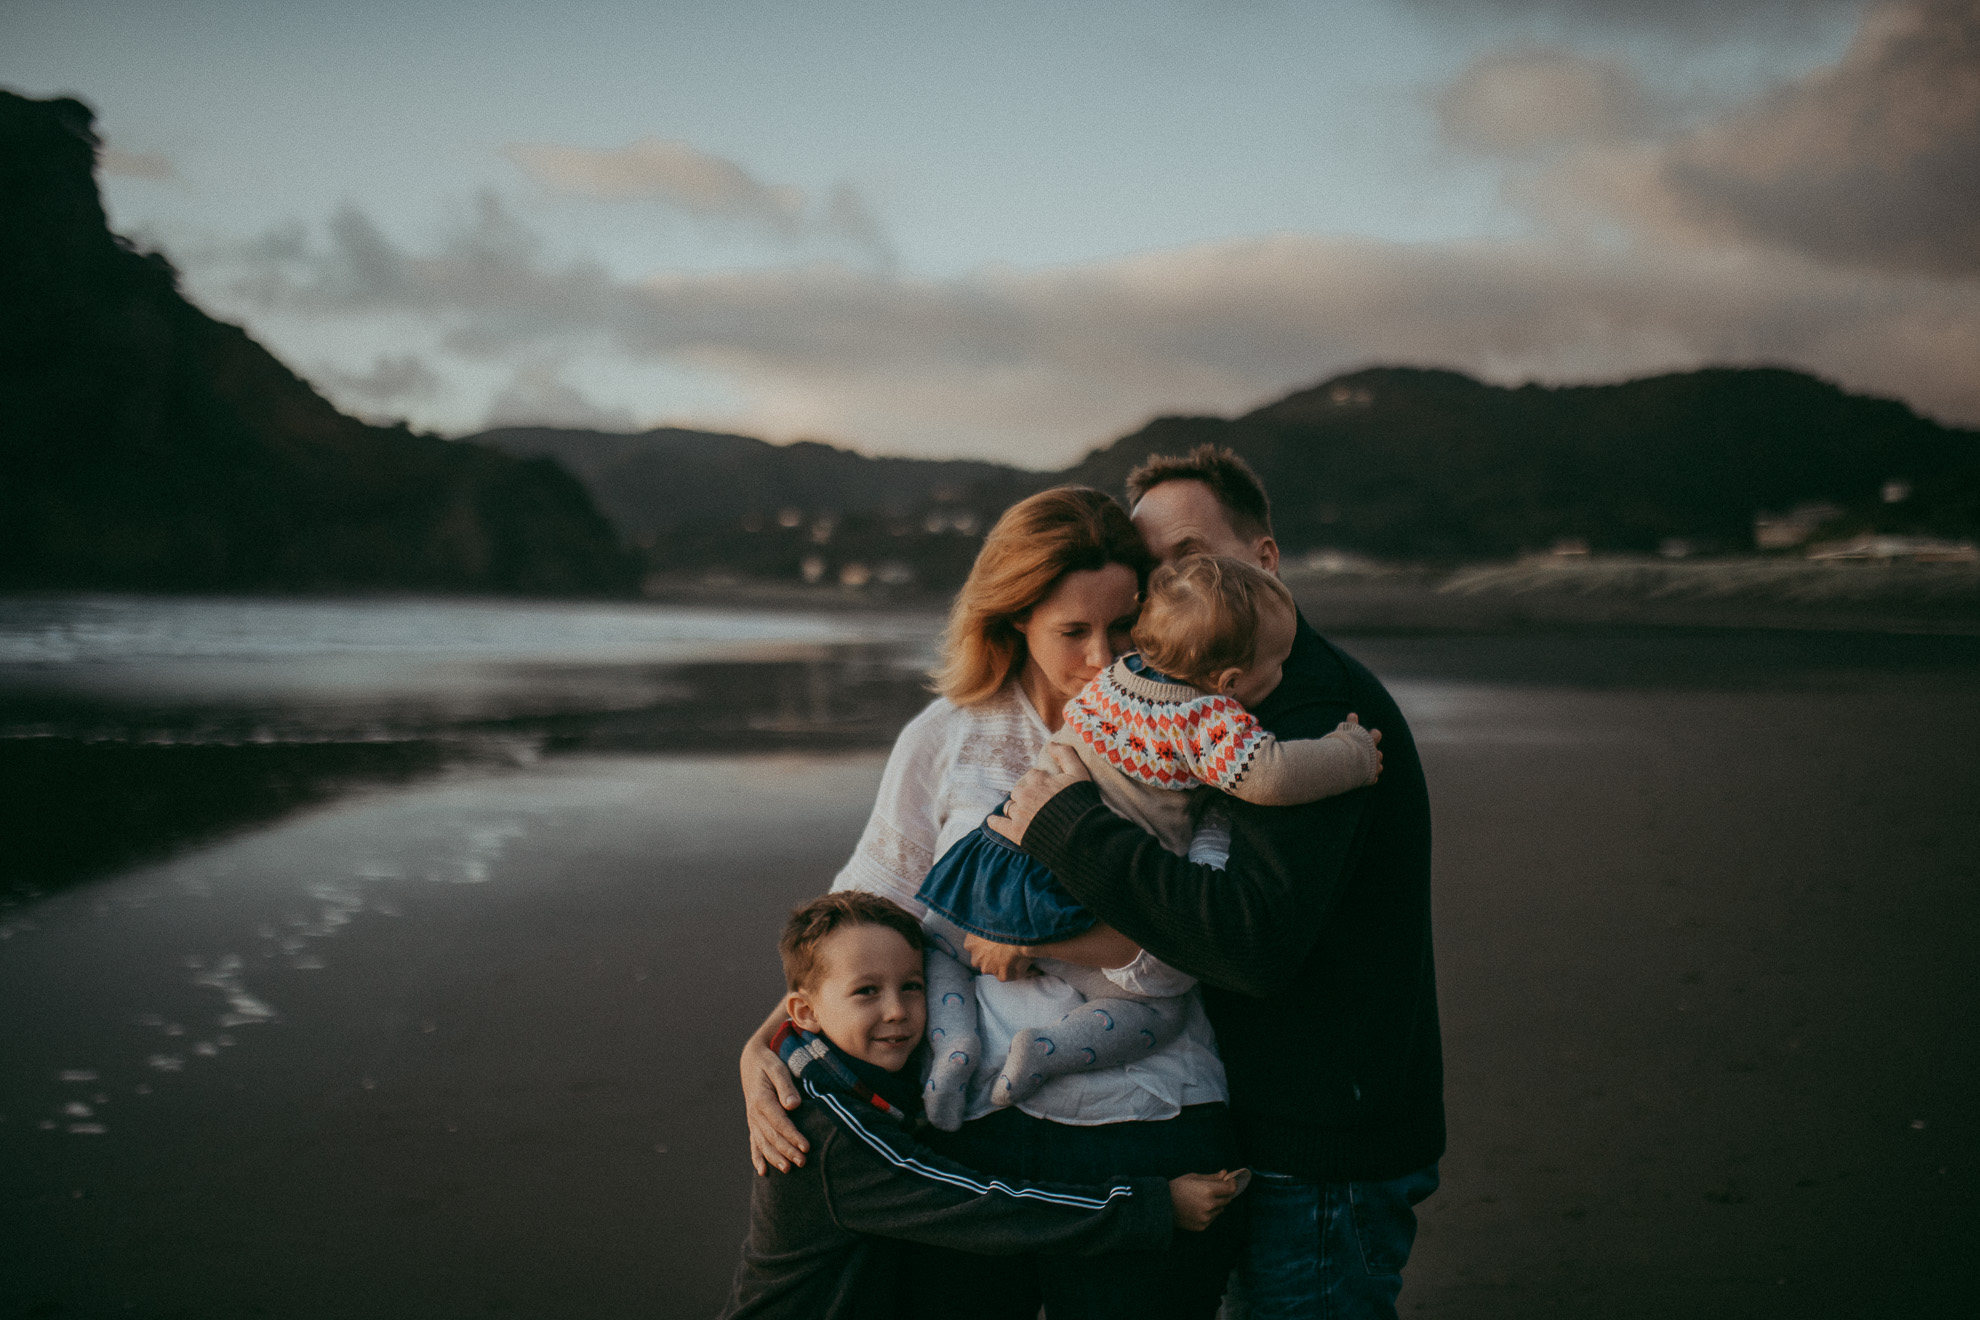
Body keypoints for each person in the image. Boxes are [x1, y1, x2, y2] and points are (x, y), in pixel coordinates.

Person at [739, 486, 1247, 1320]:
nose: (1103, 656)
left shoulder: (1188, 735)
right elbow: (868, 918)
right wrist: (762, 1043)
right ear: (1015, 623)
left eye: (1124, 627)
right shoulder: (946, 737)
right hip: (971, 1131)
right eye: (1071, 632)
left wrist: (1033, 939)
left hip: (1150, 1124)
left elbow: (1202, 937)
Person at [982, 446, 1444, 1320]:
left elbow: (1249, 939)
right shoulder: (1209, 698)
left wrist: (1066, 825)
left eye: (1194, 554)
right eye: (1157, 570)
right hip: (1270, 1126)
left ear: (1265, 558)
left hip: (1324, 1146)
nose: (1172, 585)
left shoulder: (1303, 711)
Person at [913, 554, 1383, 1128]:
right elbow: (1274, 774)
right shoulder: (1209, 720)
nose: (1285, 674)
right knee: (1157, 1011)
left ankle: (953, 1048)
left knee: (936, 946)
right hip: (1074, 894)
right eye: (1279, 663)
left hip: (1003, 863)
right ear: (1230, 682)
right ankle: (1046, 1051)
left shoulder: (1116, 678)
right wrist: (1352, 755)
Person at [717, 891, 1239, 1320]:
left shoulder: (840, 1075)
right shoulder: (837, 1136)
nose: (897, 1011)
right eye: (867, 992)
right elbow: (986, 1206)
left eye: (913, 986)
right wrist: (1153, 1207)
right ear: (805, 1012)